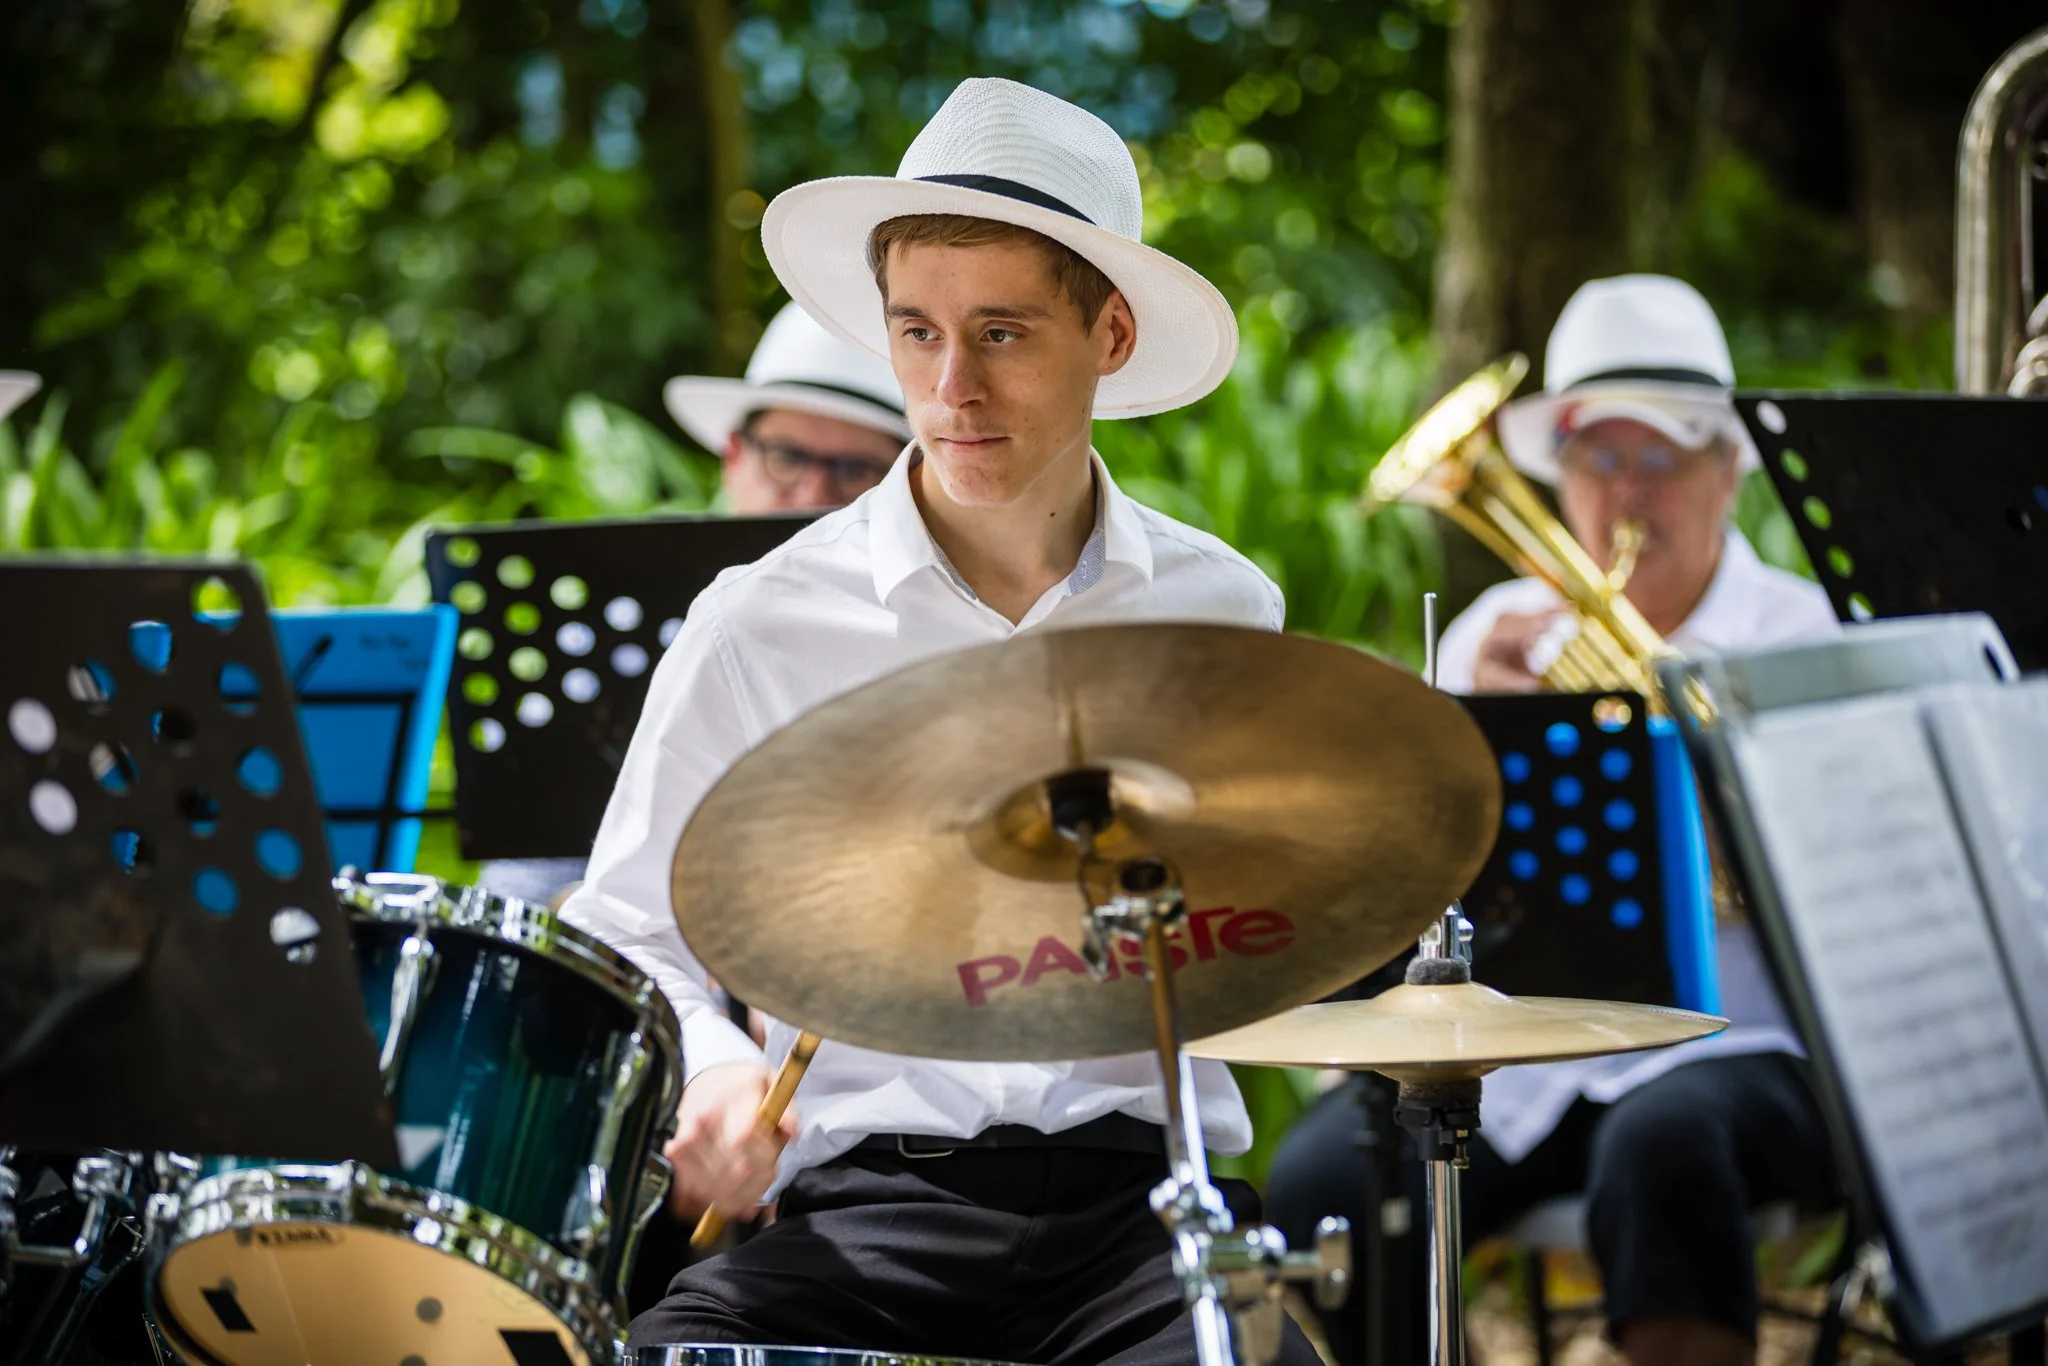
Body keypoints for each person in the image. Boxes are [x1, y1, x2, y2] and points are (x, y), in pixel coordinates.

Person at [558, 77, 1315, 1366]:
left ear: (1111, 335)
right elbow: (624, 931)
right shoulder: (758, 620)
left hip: (1143, 1219)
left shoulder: (1222, 609)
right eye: (916, 333)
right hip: (862, 1217)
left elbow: (1268, 913)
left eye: (1003, 333)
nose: (949, 385)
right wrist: (714, 1072)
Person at [1266, 275, 1840, 1366]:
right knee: (1320, 1185)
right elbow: (1396, 870)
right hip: (1526, 1058)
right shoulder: (1493, 633)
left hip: (1749, 1046)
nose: (1625, 495)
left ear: (1726, 471)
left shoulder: (1797, 637)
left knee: (1663, 1146)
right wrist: (1469, 738)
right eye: (1594, 458)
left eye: (1660, 456)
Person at [476, 302, 910, 910]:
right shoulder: (599, 638)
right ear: (734, 455)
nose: (812, 494)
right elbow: (520, 895)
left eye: (856, 469)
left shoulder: (935, 629)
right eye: (785, 457)